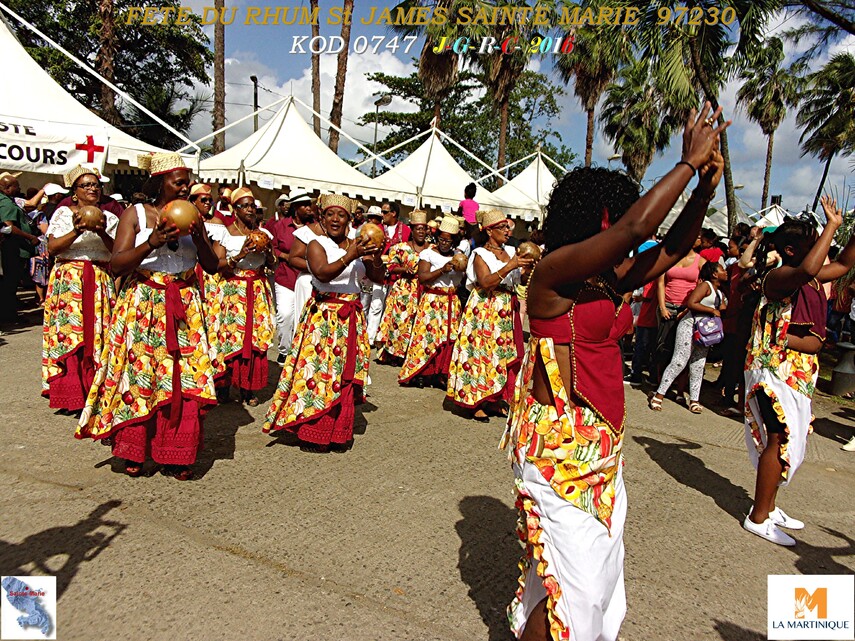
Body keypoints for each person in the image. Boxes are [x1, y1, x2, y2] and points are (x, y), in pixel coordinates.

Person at [501, 104, 728, 641]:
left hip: (602, 446)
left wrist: (702, 190)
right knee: (572, 592)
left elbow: (672, 247)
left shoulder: (607, 281)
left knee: (590, 583)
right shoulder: (552, 274)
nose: (622, 231)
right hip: (557, 452)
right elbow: (638, 225)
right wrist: (687, 165)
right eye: (614, 216)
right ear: (597, 220)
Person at [76, 152, 220, 481]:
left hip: (184, 303)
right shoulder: (136, 214)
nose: (186, 187)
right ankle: (135, 448)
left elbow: (212, 267)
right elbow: (117, 263)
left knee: (183, 377)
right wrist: (152, 243)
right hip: (143, 301)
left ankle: (178, 452)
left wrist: (198, 236)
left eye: (188, 181)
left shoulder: (194, 216)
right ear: (160, 182)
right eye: (179, 181)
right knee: (140, 374)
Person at [742, 196, 855, 545]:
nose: (824, 248)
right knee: (778, 438)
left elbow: (843, 264)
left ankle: (770, 506)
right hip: (772, 372)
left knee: (791, 441)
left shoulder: (809, 272)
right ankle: (758, 517)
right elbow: (809, 269)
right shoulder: (777, 277)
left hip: (797, 373)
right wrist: (833, 225)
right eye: (815, 242)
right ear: (792, 250)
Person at [263, 195, 385, 452]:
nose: (335, 220)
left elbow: (377, 278)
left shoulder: (359, 243)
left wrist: (375, 258)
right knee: (318, 374)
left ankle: (337, 432)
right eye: (330, 214)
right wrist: (351, 255)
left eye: (341, 215)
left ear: (349, 220)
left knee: (342, 375)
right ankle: (312, 431)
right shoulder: (316, 243)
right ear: (322, 217)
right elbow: (321, 272)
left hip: (350, 317)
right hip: (324, 317)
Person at [42, 166, 118, 413]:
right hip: (70, 279)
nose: (93, 189)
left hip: (99, 276)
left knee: (99, 333)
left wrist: (100, 230)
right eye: (86, 185)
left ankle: (95, 390)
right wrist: (77, 230)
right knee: (70, 332)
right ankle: (71, 392)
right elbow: (53, 248)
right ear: (74, 192)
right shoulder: (64, 213)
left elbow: (117, 252)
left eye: (96, 185)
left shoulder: (112, 218)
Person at [447, 209, 533, 422]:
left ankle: (494, 399)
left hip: (505, 308)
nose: (507, 230)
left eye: (508, 227)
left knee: (502, 354)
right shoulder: (479, 254)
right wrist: (511, 265)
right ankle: (477, 401)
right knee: (481, 352)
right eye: (503, 227)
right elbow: (485, 282)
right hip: (485, 308)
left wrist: (527, 271)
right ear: (489, 231)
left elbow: (518, 281)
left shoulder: (513, 250)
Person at [208, 186, 276, 406]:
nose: (249, 210)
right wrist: (240, 255)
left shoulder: (264, 235)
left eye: (252, 206)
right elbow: (217, 265)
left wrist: (268, 253)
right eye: (244, 206)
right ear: (234, 209)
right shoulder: (225, 233)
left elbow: (272, 265)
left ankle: (248, 389)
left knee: (255, 337)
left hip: (256, 289)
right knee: (230, 338)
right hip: (233, 291)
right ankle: (224, 386)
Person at [649, 260, 728, 413]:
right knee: (679, 361)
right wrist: (711, 311)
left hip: (704, 332)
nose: (725, 272)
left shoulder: (719, 291)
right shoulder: (705, 286)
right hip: (690, 326)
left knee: (698, 364)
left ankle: (694, 400)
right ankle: (659, 395)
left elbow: (722, 307)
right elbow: (692, 303)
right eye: (722, 270)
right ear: (714, 274)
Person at [399, 216, 467, 388]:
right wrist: (442, 270)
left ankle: (442, 373)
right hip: (433, 300)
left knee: (448, 339)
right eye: (441, 239)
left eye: (448, 240)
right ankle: (422, 373)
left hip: (451, 301)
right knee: (427, 337)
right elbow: (422, 277)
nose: (444, 243)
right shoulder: (428, 254)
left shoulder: (459, 257)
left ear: (454, 241)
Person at [375, 210, 429, 364]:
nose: (421, 232)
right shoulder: (401, 247)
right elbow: (391, 266)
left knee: (418, 322)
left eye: (423, 229)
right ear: (411, 230)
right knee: (400, 322)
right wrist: (405, 270)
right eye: (417, 228)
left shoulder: (431, 249)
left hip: (424, 290)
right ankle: (395, 354)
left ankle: (412, 354)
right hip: (404, 289)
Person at [654, 236, 706, 385]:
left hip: (687, 309)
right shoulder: (669, 259)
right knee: (663, 347)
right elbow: (661, 283)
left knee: (683, 351)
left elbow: (702, 287)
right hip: (668, 306)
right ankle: (661, 383)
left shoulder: (701, 261)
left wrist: (688, 309)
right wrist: (663, 307)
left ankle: (680, 388)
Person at [265, 193, 304, 362]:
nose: (309, 208)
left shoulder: (315, 228)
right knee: (285, 314)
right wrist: (285, 256)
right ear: (296, 208)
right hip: (285, 276)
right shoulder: (280, 226)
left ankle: (298, 352)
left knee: (301, 316)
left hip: (306, 277)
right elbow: (271, 248)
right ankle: (284, 349)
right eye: (305, 205)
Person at [367, 201, 411, 343]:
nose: (382, 215)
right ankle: (370, 337)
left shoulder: (406, 230)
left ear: (394, 213)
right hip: (380, 270)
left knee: (391, 307)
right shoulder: (376, 229)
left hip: (397, 273)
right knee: (376, 304)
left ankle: (386, 338)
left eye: (385, 212)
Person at [0, 173, 40, 323]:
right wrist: (30, 237)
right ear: (8, 188)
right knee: (10, 284)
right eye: (16, 186)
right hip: (12, 249)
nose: (19, 188)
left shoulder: (8, 200)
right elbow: (9, 226)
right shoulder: (5, 203)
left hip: (14, 248)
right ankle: (9, 315)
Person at [286, 192, 324, 333]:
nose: (335, 218)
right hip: (307, 282)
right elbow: (293, 258)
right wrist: (316, 268)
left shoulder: (350, 234)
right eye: (329, 213)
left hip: (334, 288)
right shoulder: (306, 232)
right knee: (303, 324)